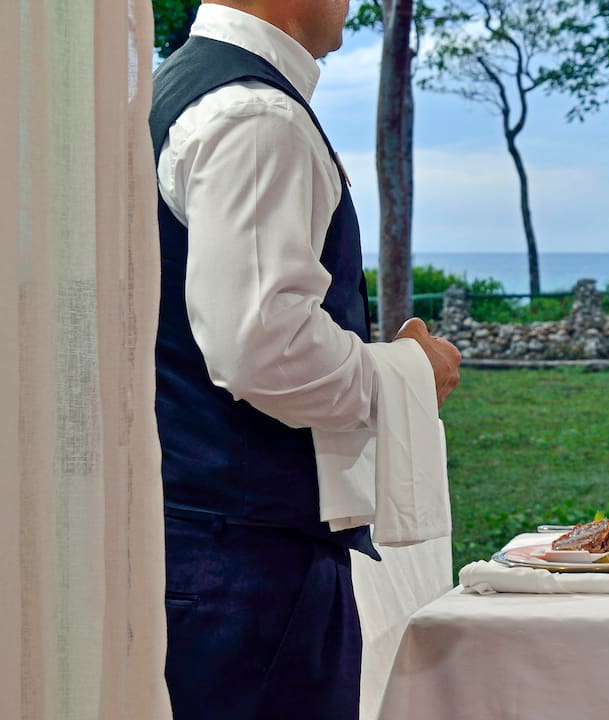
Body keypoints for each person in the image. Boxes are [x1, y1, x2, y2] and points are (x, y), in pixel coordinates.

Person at [149, 2, 460, 718]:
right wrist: (408, 372)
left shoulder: (176, 89)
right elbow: (263, 346)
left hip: (199, 542)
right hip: (250, 574)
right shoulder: (257, 116)